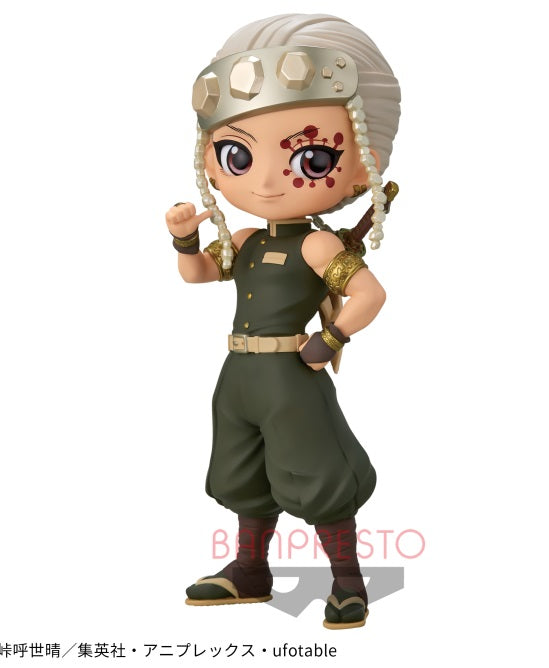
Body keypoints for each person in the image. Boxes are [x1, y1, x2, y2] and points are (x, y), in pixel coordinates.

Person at [165, 13, 400, 629]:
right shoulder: (243, 241)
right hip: (239, 374)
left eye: (312, 157)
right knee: (243, 470)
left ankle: (348, 583)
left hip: (292, 374)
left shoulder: (320, 246)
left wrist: (331, 337)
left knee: (316, 471)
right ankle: (250, 570)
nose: (267, 180)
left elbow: (370, 294)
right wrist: (184, 239)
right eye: (238, 154)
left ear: (361, 166)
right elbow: (197, 275)